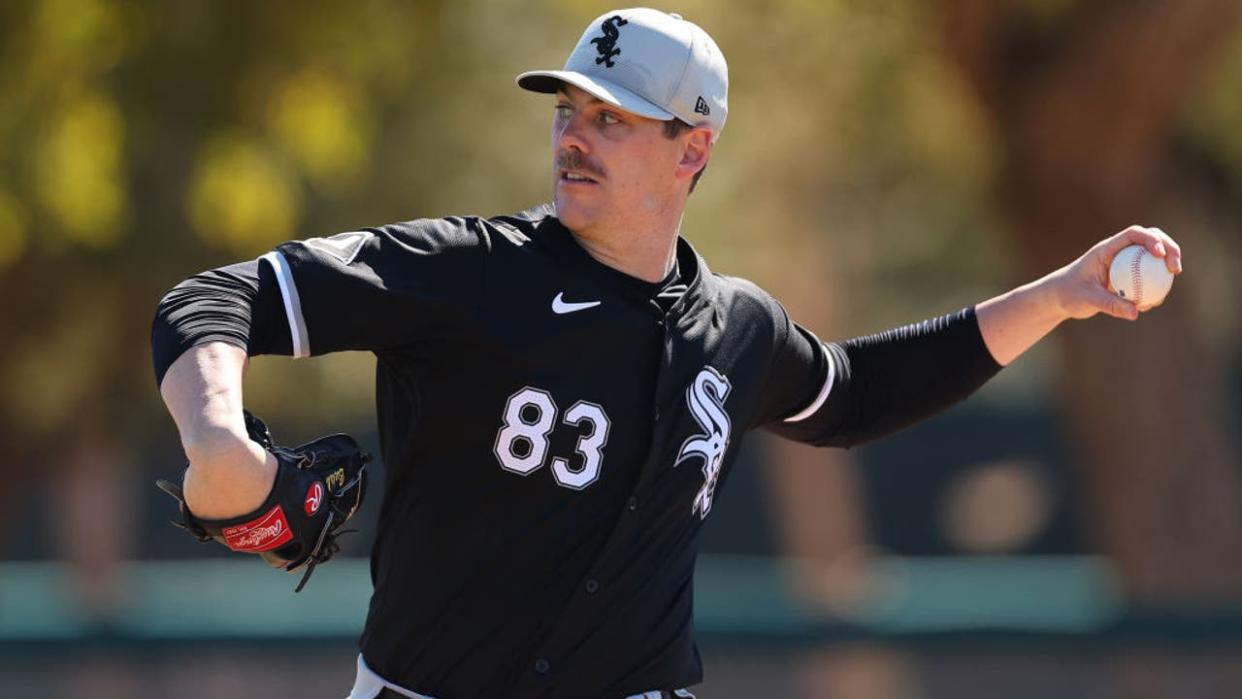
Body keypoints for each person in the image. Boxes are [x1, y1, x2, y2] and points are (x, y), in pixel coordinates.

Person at [150, 8, 1182, 699]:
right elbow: (212, 300)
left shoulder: (734, 327)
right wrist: (220, 444)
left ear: (695, 147)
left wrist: (1059, 296)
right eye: (569, 111)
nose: (574, 138)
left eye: (613, 119)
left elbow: (858, 394)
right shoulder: (467, 273)